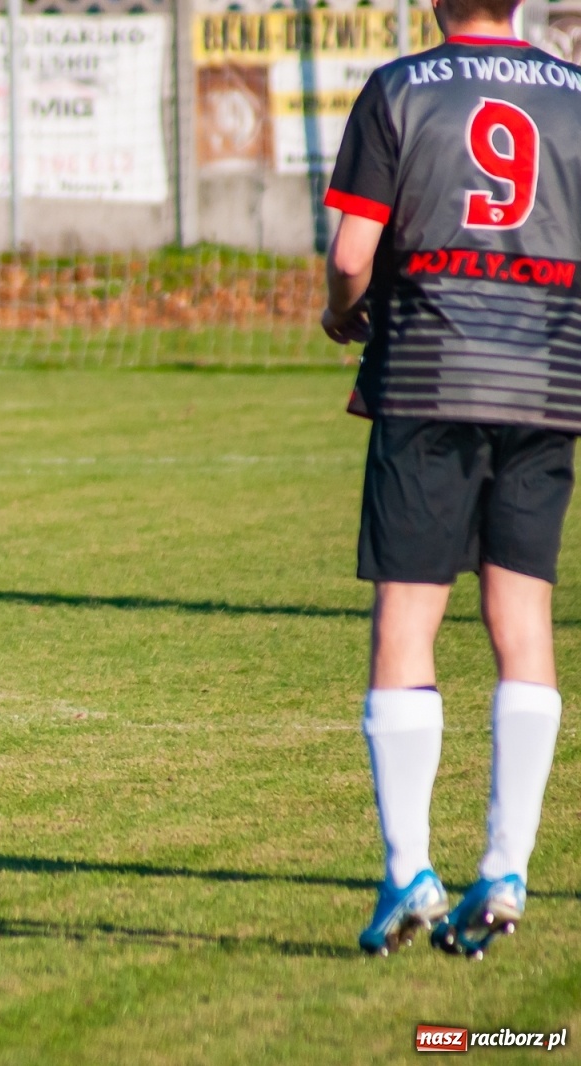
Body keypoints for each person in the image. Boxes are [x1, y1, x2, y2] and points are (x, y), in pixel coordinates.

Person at [322, 0, 581, 957]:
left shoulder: (398, 89)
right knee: (524, 624)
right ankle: (506, 868)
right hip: (548, 382)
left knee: (408, 623)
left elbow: (353, 255)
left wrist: (340, 311)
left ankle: (408, 875)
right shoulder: (577, 97)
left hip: (429, 374)